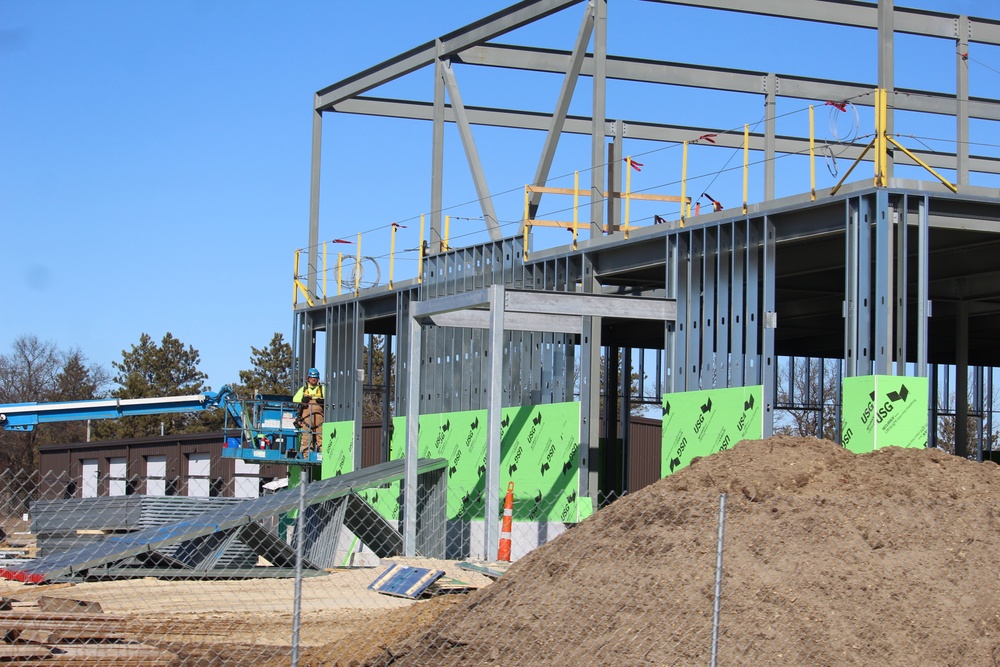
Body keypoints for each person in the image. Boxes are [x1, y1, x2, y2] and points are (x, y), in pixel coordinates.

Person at [293, 368, 324, 456]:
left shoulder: (322, 389)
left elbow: (330, 401)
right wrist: (303, 400)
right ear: (308, 378)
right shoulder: (303, 389)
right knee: (306, 437)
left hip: (319, 418)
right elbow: (295, 399)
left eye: (315, 378)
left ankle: (323, 457)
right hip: (306, 418)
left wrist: (323, 401)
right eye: (312, 378)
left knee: (321, 437)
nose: (313, 379)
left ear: (318, 379)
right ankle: (307, 457)